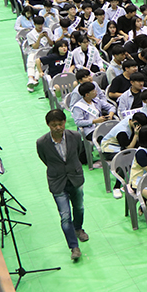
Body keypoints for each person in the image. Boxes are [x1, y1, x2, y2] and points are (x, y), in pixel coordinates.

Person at [36, 109, 88, 262]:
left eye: (60, 124)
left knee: (79, 207)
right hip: (57, 182)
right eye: (54, 125)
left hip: (75, 178)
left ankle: (78, 228)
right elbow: (45, 159)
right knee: (65, 216)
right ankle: (74, 247)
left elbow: (78, 152)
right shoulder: (42, 143)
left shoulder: (76, 136)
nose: (58, 128)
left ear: (65, 122)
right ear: (48, 125)